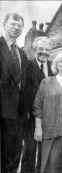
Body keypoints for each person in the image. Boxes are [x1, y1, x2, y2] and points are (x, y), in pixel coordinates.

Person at [33, 52, 62, 173]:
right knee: (50, 165)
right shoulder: (47, 82)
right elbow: (38, 106)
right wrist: (38, 128)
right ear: (56, 65)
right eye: (60, 61)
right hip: (51, 129)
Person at [0, 13, 29, 173]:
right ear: (4, 24)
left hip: (17, 113)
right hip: (1, 109)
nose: (16, 27)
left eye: (19, 25)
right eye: (13, 24)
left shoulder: (22, 53)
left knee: (13, 153)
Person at [21, 36, 53, 173]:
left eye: (47, 49)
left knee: (45, 151)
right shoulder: (28, 65)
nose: (44, 52)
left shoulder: (53, 67)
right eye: (41, 49)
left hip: (50, 116)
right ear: (35, 49)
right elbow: (23, 91)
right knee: (30, 151)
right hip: (31, 117)